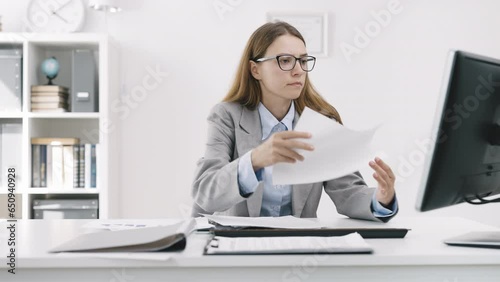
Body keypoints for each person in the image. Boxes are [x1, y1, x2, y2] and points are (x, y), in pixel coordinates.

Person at [191, 21, 398, 222]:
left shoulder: (321, 121)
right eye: (285, 60)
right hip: (236, 246)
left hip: (298, 245)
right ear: (256, 70)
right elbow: (206, 193)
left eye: (303, 60)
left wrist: (381, 198)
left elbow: (348, 191)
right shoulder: (226, 115)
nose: (298, 70)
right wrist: (254, 160)